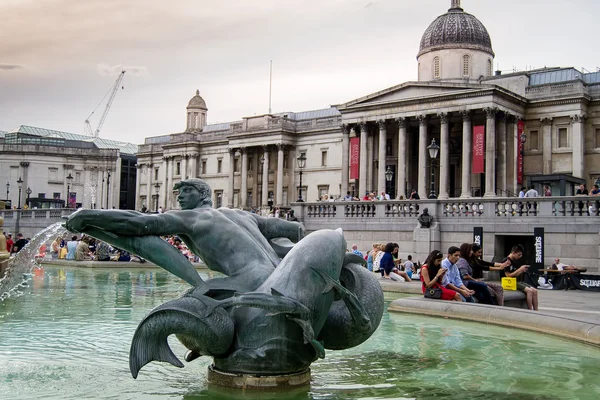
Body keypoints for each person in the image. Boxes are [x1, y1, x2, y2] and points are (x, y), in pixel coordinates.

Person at [65, 178, 305, 292]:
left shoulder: (191, 218)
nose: (180, 196)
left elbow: (137, 222)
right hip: (280, 277)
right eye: (178, 192)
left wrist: (87, 216)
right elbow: (295, 229)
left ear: (203, 195)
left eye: (187, 191)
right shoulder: (243, 215)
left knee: (191, 300)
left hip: (252, 284)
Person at [501, 244, 538, 311]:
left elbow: (514, 274)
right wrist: (520, 269)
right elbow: (508, 275)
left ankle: (536, 310)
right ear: (513, 253)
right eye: (519, 255)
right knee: (529, 291)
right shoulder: (506, 261)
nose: (520, 257)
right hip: (509, 282)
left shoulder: (514, 261)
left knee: (534, 291)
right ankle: (530, 310)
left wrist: (521, 271)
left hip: (516, 281)